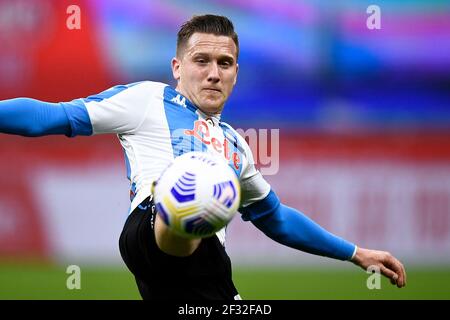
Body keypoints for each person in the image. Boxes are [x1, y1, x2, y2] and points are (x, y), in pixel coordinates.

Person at [0, 14, 406, 300]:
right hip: (152, 230)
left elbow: (277, 218)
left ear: (235, 73)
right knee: (201, 184)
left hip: (204, 268)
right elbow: (52, 116)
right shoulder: (148, 99)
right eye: (202, 60)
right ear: (177, 67)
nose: (214, 72)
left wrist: (355, 253)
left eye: (225, 63)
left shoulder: (236, 146)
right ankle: (182, 205)